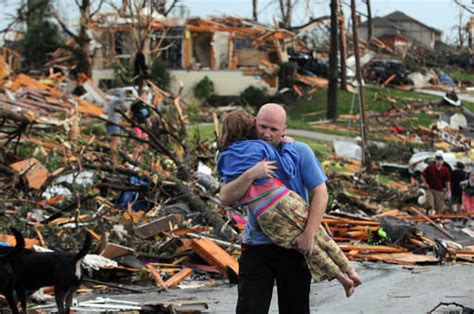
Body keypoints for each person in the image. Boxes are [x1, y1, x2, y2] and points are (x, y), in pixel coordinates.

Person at [219, 104, 350, 313]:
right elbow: (225, 196)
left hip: (294, 245)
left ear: (284, 130)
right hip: (256, 245)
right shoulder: (247, 153)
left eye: (273, 129)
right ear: (254, 123)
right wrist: (251, 174)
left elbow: (321, 193)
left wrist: (308, 234)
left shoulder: (300, 151)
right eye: (262, 127)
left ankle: (347, 276)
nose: (267, 133)